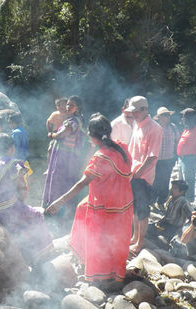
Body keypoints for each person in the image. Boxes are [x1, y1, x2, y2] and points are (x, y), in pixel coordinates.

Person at [46, 113, 133, 286]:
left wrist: (59, 201)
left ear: (92, 137)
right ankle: (115, 272)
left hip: (105, 206)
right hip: (124, 203)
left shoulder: (101, 157)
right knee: (113, 236)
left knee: (99, 237)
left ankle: (97, 273)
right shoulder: (122, 148)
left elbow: (81, 184)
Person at [0, 134, 53, 264]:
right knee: (36, 216)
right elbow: (22, 189)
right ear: (12, 148)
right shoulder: (13, 163)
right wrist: (23, 206)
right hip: (6, 210)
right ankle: (41, 257)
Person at [42, 96, 88, 234]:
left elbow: (63, 134)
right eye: (67, 104)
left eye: (72, 105)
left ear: (77, 108)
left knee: (61, 185)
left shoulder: (74, 121)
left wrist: (52, 135)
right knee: (57, 183)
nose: (68, 107)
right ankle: (55, 216)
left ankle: (60, 219)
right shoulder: (70, 119)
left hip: (66, 160)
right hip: (61, 158)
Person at [127, 96, 162, 254]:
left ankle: (140, 242)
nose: (133, 114)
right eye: (132, 111)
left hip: (142, 176)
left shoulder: (154, 128)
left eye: (135, 112)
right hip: (132, 174)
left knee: (142, 210)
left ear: (144, 110)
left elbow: (152, 157)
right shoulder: (137, 124)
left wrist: (137, 174)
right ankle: (135, 236)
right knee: (134, 208)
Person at [153, 106, 179, 208]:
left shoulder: (173, 127)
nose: (167, 117)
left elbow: (177, 141)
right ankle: (152, 201)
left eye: (168, 115)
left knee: (165, 181)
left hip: (169, 159)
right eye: (165, 115)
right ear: (159, 117)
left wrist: (176, 156)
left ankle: (161, 202)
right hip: (156, 160)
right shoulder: (155, 127)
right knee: (155, 181)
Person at [177, 108, 196, 202]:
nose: (182, 119)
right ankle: (181, 199)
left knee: (189, 180)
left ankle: (189, 200)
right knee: (181, 180)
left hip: (190, 158)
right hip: (181, 159)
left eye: (184, 117)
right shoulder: (187, 129)